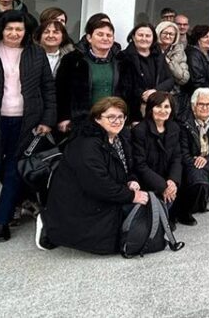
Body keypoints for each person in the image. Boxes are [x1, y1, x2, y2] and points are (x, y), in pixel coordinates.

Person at [0, 10, 55, 245]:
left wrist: (47, 120)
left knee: (14, 173)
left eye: (19, 29)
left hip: (26, 122)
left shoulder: (36, 52)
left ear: (26, 32)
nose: (14, 33)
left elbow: (48, 88)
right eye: (9, 29)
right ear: (1, 29)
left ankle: (3, 221)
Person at [39, 97, 150, 254]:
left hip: (104, 193)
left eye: (121, 117)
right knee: (110, 242)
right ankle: (46, 223)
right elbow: (97, 183)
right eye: (111, 117)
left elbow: (128, 168)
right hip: (81, 202)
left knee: (148, 209)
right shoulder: (87, 144)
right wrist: (131, 196)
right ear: (98, 118)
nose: (117, 121)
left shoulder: (120, 138)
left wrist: (131, 180)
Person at [55, 18, 120, 132]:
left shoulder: (122, 61)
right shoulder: (73, 60)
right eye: (100, 34)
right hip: (81, 121)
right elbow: (61, 91)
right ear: (89, 38)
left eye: (109, 35)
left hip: (114, 122)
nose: (105, 38)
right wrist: (63, 117)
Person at [175, 88, 209, 221]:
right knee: (199, 178)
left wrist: (207, 160)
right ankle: (186, 211)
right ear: (194, 105)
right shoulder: (184, 123)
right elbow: (183, 156)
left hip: (207, 160)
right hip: (190, 166)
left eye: (208, 104)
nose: (205, 107)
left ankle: (206, 193)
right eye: (201, 104)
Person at [131, 91, 182, 222]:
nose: (163, 110)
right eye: (158, 106)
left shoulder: (174, 128)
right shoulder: (140, 131)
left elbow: (177, 157)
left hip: (167, 180)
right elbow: (140, 165)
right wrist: (163, 186)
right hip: (148, 181)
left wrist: (172, 181)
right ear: (150, 108)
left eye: (167, 107)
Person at [117, 23, 174, 122]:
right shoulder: (124, 57)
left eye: (148, 36)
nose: (144, 38)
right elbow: (125, 86)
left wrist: (155, 91)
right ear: (133, 37)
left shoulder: (158, 56)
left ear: (153, 38)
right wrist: (143, 95)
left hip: (157, 107)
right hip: (134, 110)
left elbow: (170, 80)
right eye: (140, 35)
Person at [155, 21, 189, 100]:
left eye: (171, 34)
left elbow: (184, 78)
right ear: (159, 33)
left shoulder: (179, 51)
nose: (168, 36)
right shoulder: (151, 49)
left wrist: (169, 62)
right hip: (154, 93)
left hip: (173, 94)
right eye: (165, 33)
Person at [185, 25, 209, 95]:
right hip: (199, 95)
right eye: (205, 37)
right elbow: (198, 80)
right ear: (198, 39)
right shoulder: (193, 54)